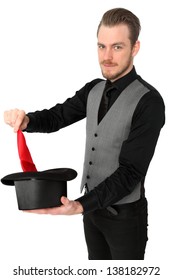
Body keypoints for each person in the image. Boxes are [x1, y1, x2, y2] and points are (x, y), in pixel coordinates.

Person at [4, 8, 165, 260]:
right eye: (101, 46)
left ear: (135, 48)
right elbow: (58, 116)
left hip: (124, 218)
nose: (107, 57)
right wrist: (27, 121)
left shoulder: (149, 102)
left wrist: (80, 205)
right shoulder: (93, 89)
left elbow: (131, 172)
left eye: (117, 47)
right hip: (92, 214)